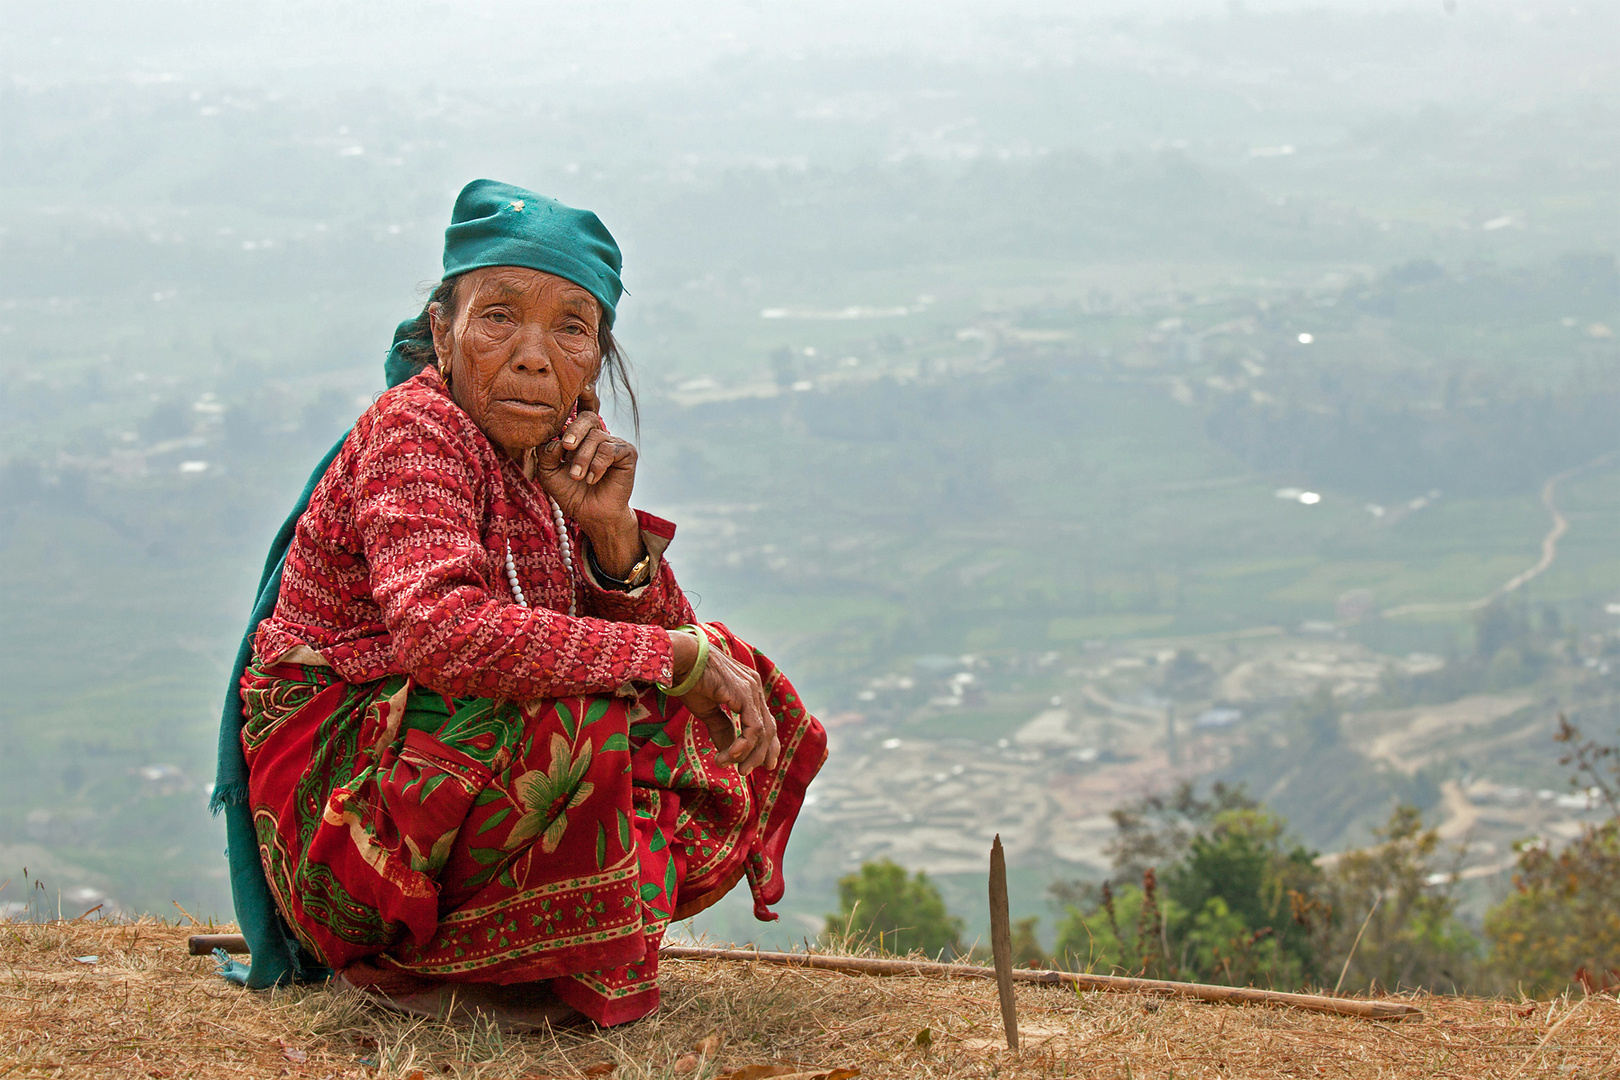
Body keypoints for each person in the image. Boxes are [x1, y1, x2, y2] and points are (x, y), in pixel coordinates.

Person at [210, 179, 826, 1029]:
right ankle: (413, 960)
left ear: (594, 358)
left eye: (570, 327)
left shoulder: (550, 456)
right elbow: (445, 637)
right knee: (598, 708)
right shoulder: (415, 432)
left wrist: (613, 542)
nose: (535, 356)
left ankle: (520, 961)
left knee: (733, 673)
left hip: (428, 757)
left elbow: (649, 650)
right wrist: (673, 660)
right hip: (341, 799)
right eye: (500, 316)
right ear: (444, 332)